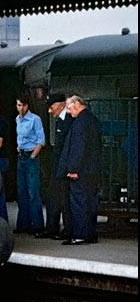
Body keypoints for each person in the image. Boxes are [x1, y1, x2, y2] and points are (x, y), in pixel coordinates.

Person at [55, 94, 101, 245]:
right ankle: (90, 234)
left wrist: (73, 168)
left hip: (81, 170)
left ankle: (80, 235)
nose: (68, 112)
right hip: (91, 169)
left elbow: (78, 148)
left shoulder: (80, 122)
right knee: (90, 202)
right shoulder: (91, 119)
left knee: (79, 202)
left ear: (77, 105)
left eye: (69, 108)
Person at [37, 93, 69, 239]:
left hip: (65, 166)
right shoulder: (60, 121)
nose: (50, 111)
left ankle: (67, 230)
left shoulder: (69, 120)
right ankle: (51, 228)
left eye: (51, 107)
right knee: (52, 198)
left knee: (64, 199)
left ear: (60, 105)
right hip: (57, 165)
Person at [13, 93, 45, 233]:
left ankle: (37, 225)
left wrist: (33, 156)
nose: (21, 108)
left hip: (30, 155)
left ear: (27, 106)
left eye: (23, 105)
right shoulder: (17, 119)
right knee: (22, 192)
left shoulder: (35, 119)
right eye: (19, 105)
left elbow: (40, 140)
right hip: (21, 155)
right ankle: (23, 224)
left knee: (33, 192)